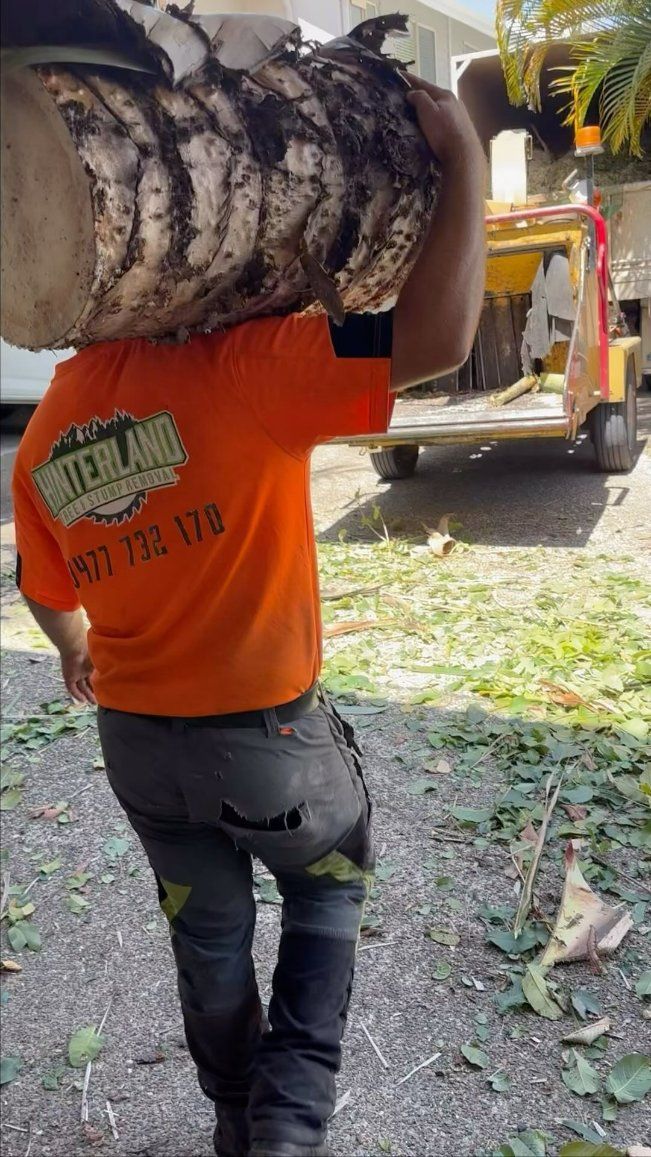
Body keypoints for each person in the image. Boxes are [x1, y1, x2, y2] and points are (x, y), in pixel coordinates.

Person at [12, 79, 485, 1157]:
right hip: (264, 745)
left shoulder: (45, 435)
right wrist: (463, 159)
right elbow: (441, 336)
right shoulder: (248, 368)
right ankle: (288, 1122)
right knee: (329, 883)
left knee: (209, 937)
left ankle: (235, 1114)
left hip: (141, 752)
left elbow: (43, 584)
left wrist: (74, 646)